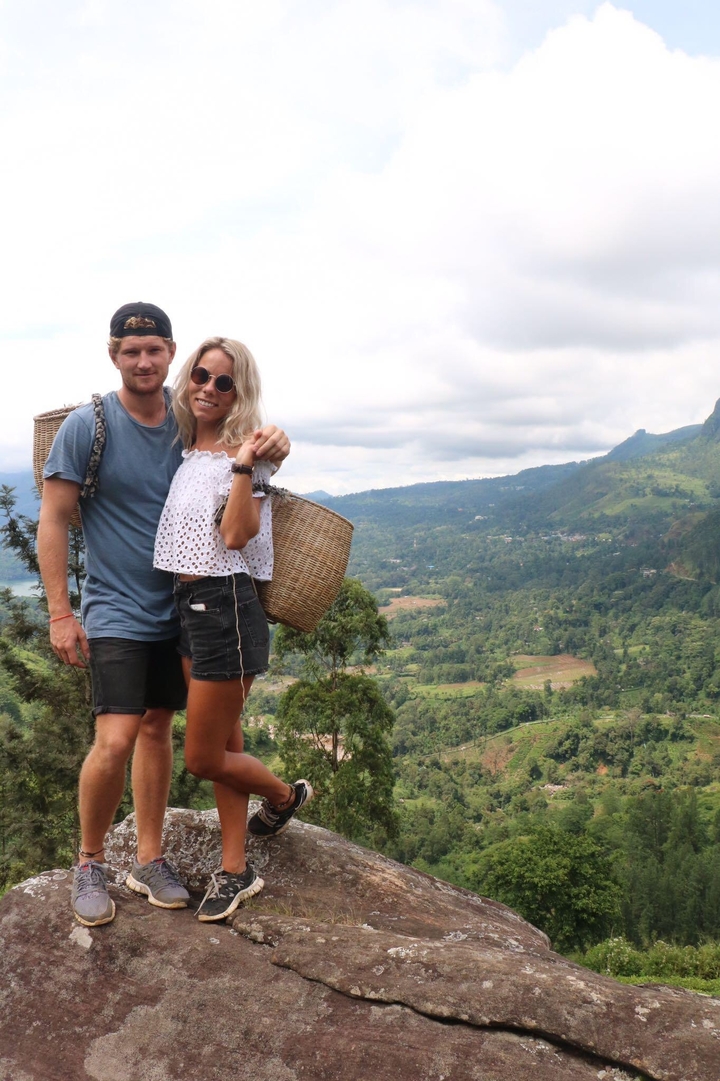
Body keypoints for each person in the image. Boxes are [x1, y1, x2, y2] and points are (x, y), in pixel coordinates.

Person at [37, 303, 290, 928]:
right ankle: (91, 860)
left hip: (184, 613)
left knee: (157, 731)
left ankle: (149, 859)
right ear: (113, 355)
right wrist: (60, 613)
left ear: (170, 353)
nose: (144, 361)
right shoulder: (87, 426)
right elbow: (53, 517)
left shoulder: (187, 424)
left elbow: (244, 451)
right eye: (131, 351)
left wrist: (276, 443)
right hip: (117, 608)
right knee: (117, 736)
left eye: (154, 350)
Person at [153, 337, 313, 921]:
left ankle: (283, 795)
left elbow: (237, 535)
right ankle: (235, 868)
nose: (209, 388)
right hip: (187, 605)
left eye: (224, 382)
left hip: (226, 609)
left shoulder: (246, 455)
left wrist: (247, 464)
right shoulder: (185, 452)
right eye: (201, 374)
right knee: (225, 746)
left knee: (201, 757)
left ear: (239, 392)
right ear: (187, 376)